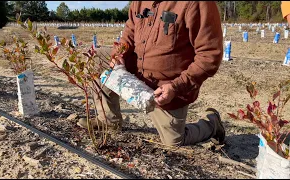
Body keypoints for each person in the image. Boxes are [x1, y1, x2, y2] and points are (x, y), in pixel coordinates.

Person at [77, 1, 225, 146]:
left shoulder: (197, 4)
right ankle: (108, 120)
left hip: (166, 89)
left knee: (173, 141)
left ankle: (212, 123)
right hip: (136, 70)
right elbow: (130, 31)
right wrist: (119, 54)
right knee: (98, 57)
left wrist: (176, 87)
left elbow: (210, 55)